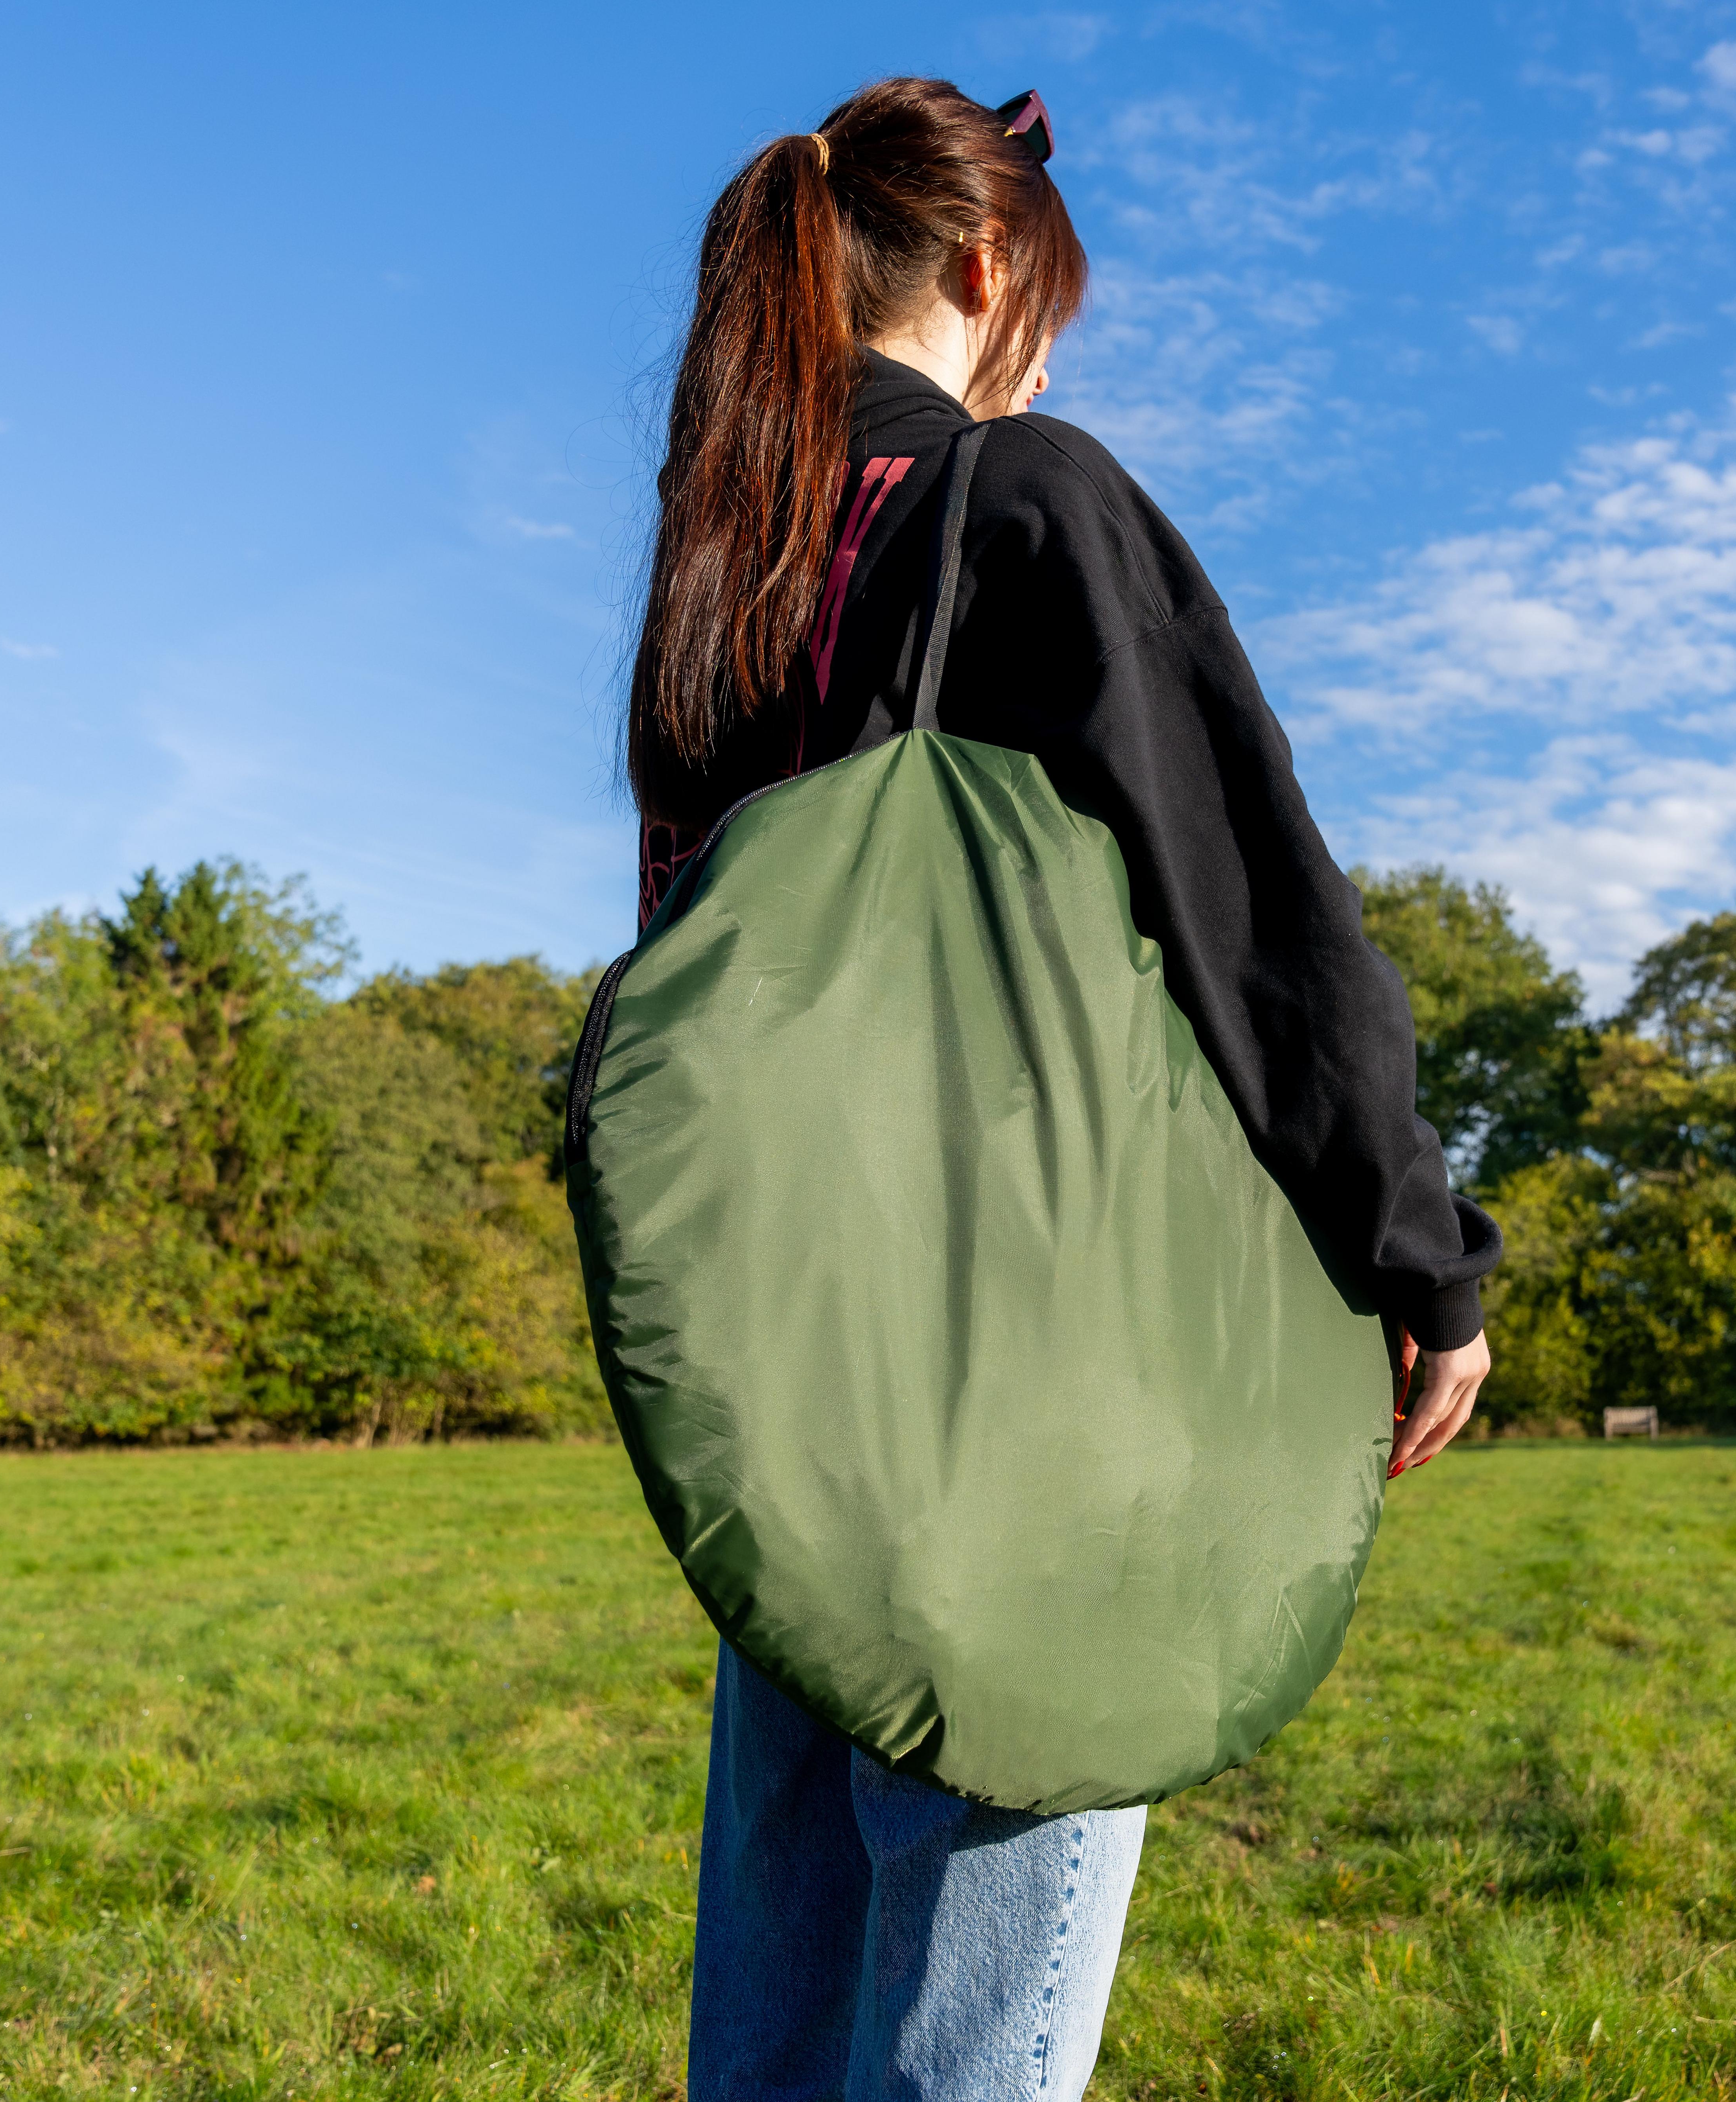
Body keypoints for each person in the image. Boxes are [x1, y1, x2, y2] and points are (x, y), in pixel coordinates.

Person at [625, 75, 1501, 2101]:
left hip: (792, 1397)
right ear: (987, 261)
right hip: (1033, 1388)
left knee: (771, 2028)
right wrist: (1418, 1256)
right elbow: (1252, 908)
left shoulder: (725, 581)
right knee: (969, 2047)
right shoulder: (1023, 503)